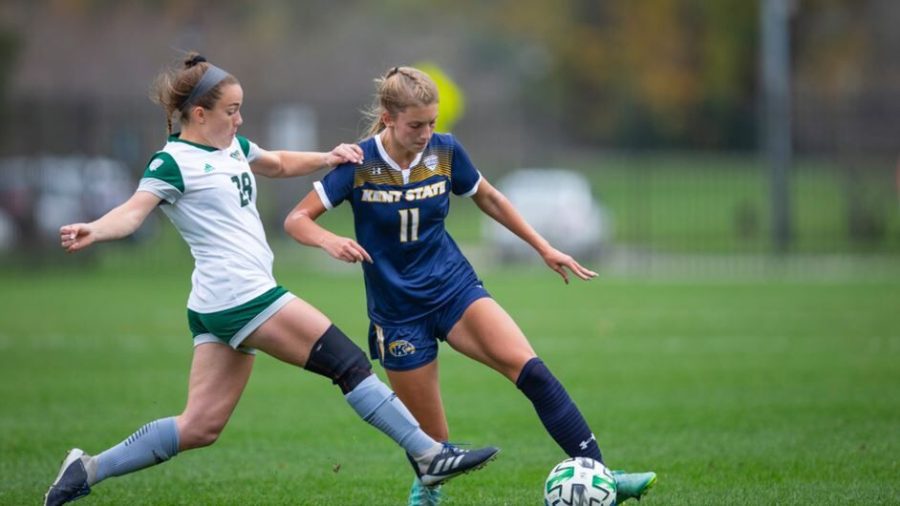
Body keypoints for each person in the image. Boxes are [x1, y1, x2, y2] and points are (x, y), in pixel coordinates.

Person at [43, 55, 500, 506]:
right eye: (231, 111)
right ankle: (428, 453)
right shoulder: (172, 162)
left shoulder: (232, 149)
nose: (240, 119)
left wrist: (328, 156)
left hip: (216, 303)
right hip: (241, 295)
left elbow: (278, 163)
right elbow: (133, 212)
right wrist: (95, 228)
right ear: (199, 114)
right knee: (349, 363)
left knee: (200, 426)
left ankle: (88, 468)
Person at [283, 66, 657, 505]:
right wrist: (330, 241)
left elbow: (490, 197)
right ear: (387, 118)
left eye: (432, 123)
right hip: (398, 313)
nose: (426, 134)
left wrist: (543, 247)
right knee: (433, 446)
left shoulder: (445, 152)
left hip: (453, 289)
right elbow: (296, 220)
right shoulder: (358, 163)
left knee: (532, 371)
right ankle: (426, 490)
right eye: (415, 125)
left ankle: (604, 475)